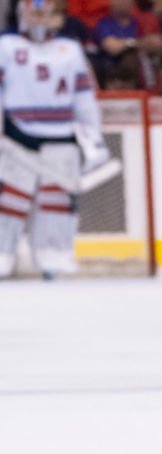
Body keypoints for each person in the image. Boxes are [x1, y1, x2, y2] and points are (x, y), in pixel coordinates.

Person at [0, 0, 109, 279]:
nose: (39, 15)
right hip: (17, 133)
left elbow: (84, 97)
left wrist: (93, 136)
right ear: (21, 12)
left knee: (57, 200)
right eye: (32, 8)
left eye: (44, 9)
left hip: (62, 133)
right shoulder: (6, 45)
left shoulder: (70, 49)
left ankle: (53, 256)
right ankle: (2, 254)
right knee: (10, 200)